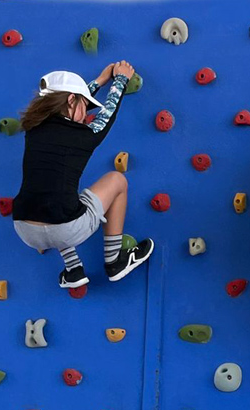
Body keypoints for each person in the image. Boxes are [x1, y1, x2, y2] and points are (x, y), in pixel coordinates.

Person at [11, 63, 154, 289]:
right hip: (66, 227)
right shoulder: (85, 134)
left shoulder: (33, 128)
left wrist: (99, 80)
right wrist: (119, 80)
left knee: (57, 193)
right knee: (117, 181)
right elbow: (108, 111)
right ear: (70, 100)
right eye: (85, 105)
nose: (85, 115)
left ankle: (74, 269)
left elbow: (68, 104)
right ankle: (114, 261)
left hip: (25, 229)